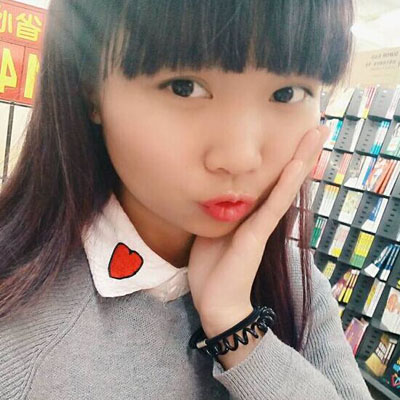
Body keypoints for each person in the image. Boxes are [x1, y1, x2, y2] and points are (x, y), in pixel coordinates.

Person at [0, 0, 373, 399]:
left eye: (288, 93)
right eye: (184, 87)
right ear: (90, 89)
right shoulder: (20, 335)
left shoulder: (296, 280)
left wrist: (238, 328)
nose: (240, 157)